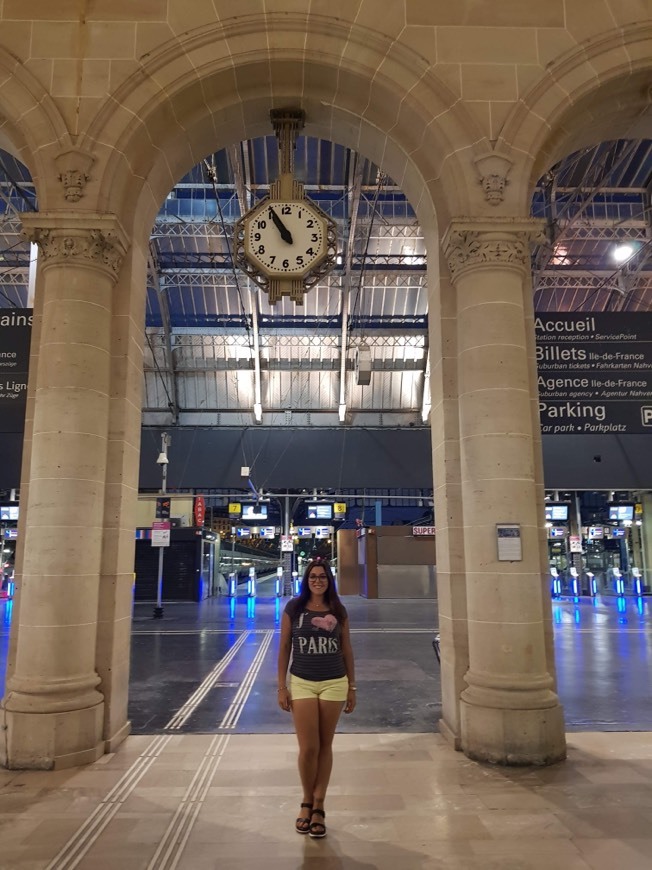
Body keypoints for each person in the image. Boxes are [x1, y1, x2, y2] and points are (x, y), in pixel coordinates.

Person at [277, 557, 356, 838]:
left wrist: (352, 687)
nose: (318, 581)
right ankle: (306, 800)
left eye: (322, 577)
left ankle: (319, 805)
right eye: (313, 577)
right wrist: (281, 686)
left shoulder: (338, 609)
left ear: (329, 580)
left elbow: (346, 649)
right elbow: (285, 646)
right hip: (302, 683)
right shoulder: (294, 608)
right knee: (308, 747)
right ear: (306, 580)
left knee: (325, 745)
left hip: (334, 682)